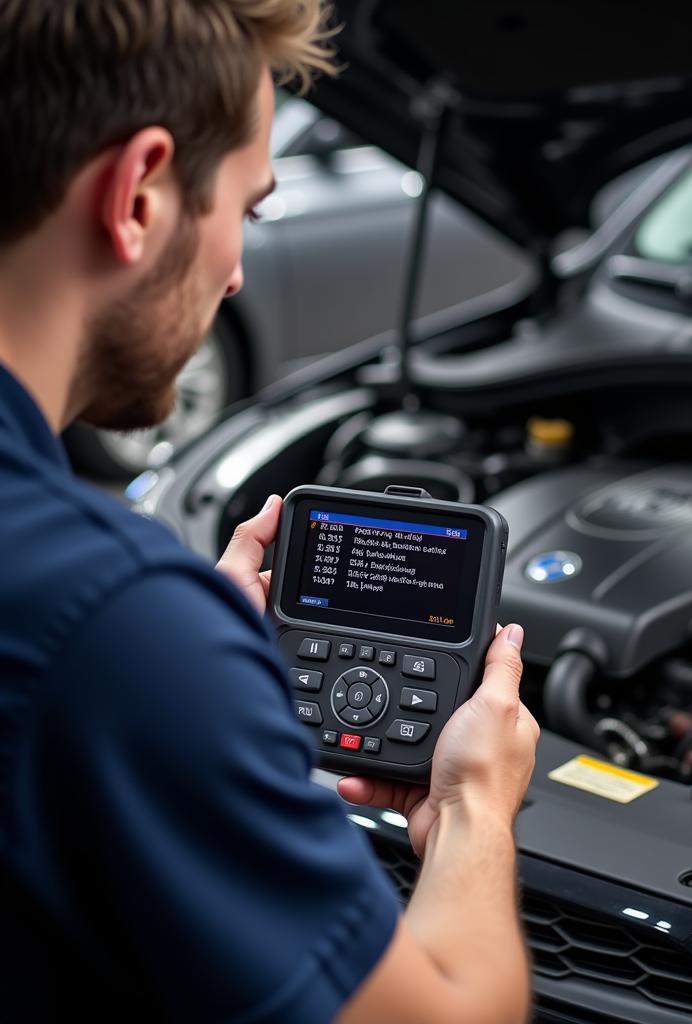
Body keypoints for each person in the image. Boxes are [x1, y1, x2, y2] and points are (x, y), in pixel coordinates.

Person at [0, 3, 539, 1022]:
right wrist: (474, 806)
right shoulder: (115, 626)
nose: (237, 270)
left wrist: (179, 677)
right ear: (139, 194)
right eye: (246, 208)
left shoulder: (116, 624)